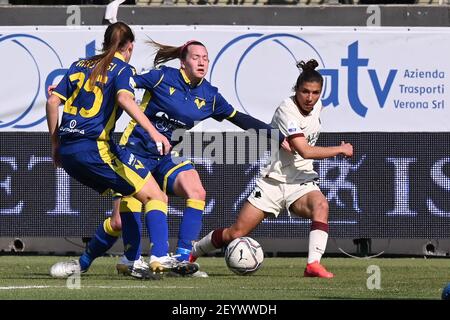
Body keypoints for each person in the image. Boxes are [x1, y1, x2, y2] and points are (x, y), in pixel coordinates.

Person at [108, 39, 289, 278]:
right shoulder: (162, 77)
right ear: (183, 63)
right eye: (196, 57)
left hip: (163, 156)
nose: (202, 62)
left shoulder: (210, 96)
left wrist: (274, 135)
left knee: (197, 190)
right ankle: (126, 259)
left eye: (205, 58)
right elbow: (122, 84)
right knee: (128, 209)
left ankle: (181, 260)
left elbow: (240, 118)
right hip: (133, 150)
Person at [190, 59, 354, 278]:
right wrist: (340, 149)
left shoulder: (316, 106)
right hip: (272, 183)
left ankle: (312, 264)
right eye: (305, 91)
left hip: (301, 182)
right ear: (296, 90)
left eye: (315, 93)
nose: (309, 97)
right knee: (235, 232)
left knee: (321, 206)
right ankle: (192, 253)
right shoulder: (287, 110)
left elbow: (306, 143)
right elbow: (304, 151)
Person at [46, 22, 173, 280]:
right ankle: (160, 257)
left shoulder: (79, 65)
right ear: (129, 47)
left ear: (105, 43)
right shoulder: (123, 68)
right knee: (157, 197)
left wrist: (55, 144)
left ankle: (127, 261)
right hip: (96, 147)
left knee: (132, 195)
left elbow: (52, 101)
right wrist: (154, 132)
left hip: (70, 151)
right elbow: (125, 99)